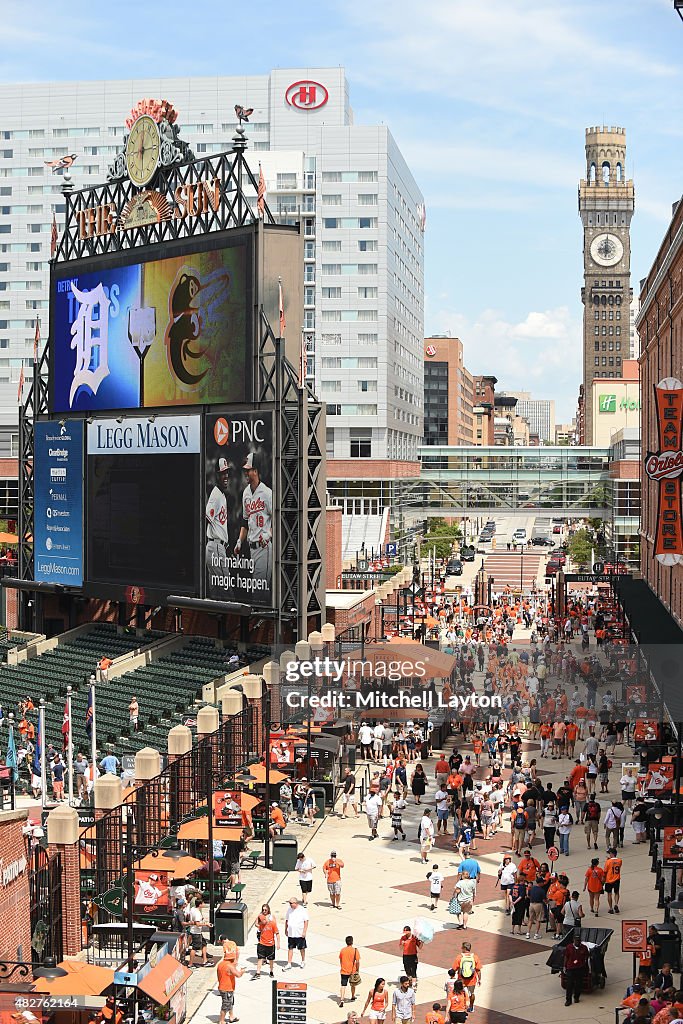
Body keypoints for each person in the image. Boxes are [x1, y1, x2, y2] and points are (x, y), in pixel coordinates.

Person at [234, 453, 273, 584]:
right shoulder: (246, 493)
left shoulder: (267, 493)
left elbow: (279, 520)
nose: (245, 473)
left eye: (248, 470)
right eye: (245, 470)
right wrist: (239, 540)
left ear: (255, 471)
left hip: (264, 548)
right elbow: (245, 521)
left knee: (260, 591)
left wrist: (269, 534)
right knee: (257, 590)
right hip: (251, 548)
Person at [217, 942, 244, 1024]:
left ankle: (231, 1016)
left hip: (222, 987)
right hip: (227, 988)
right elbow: (238, 975)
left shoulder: (220, 964)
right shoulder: (230, 966)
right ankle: (221, 1021)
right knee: (225, 1005)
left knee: (230, 1002)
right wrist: (242, 971)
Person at [452, 941, 482, 1011]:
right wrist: (479, 979)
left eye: (462, 947)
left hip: (461, 979)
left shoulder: (459, 957)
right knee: (472, 993)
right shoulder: (475, 957)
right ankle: (471, 1006)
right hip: (472, 979)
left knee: (461, 993)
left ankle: (461, 1006)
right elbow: (478, 970)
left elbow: (454, 969)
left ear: (464, 948)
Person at [563, 933, 589, 1005]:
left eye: (579, 940)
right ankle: (568, 1000)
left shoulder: (584, 947)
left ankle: (576, 997)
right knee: (569, 985)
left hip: (580, 968)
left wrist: (586, 967)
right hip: (570, 968)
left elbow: (587, 957)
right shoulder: (569, 947)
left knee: (578, 984)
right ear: (573, 940)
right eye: (576, 940)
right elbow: (566, 957)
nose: (578, 942)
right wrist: (564, 966)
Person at [283, 897, 308, 970]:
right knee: (290, 948)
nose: (290, 905)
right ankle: (289, 963)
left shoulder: (302, 910)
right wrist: (286, 929)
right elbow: (287, 920)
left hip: (299, 933)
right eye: (289, 903)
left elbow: (306, 921)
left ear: (295, 903)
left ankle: (303, 961)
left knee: (301, 948)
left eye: (291, 903)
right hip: (291, 933)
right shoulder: (289, 910)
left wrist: (304, 931)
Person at [255, 903, 279, 978]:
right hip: (262, 942)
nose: (264, 911)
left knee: (271, 959)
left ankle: (271, 971)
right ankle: (258, 973)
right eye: (263, 910)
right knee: (260, 958)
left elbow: (277, 933)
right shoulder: (261, 921)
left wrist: (278, 943)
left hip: (270, 943)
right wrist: (260, 924)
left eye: (265, 910)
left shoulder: (272, 923)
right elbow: (257, 924)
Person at [338, 935, 361, 1008]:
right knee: (353, 984)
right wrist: (357, 969)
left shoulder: (342, 950)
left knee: (343, 985)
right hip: (352, 971)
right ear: (352, 942)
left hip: (344, 970)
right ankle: (353, 996)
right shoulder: (355, 950)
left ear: (346, 942)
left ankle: (342, 999)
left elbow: (340, 960)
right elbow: (357, 961)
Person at [187, 895, 209, 968]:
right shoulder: (197, 913)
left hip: (195, 931)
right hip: (196, 932)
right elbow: (198, 924)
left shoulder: (193, 909)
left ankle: (205, 960)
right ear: (200, 905)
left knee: (204, 944)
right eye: (203, 903)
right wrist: (206, 924)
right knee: (195, 948)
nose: (204, 904)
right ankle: (190, 964)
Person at [604, 847, 622, 914]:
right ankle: (616, 904)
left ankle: (611, 908)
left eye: (609, 853)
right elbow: (616, 864)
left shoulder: (608, 862)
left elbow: (605, 871)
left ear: (611, 854)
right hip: (617, 879)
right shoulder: (620, 861)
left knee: (609, 894)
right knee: (616, 892)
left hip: (609, 880)